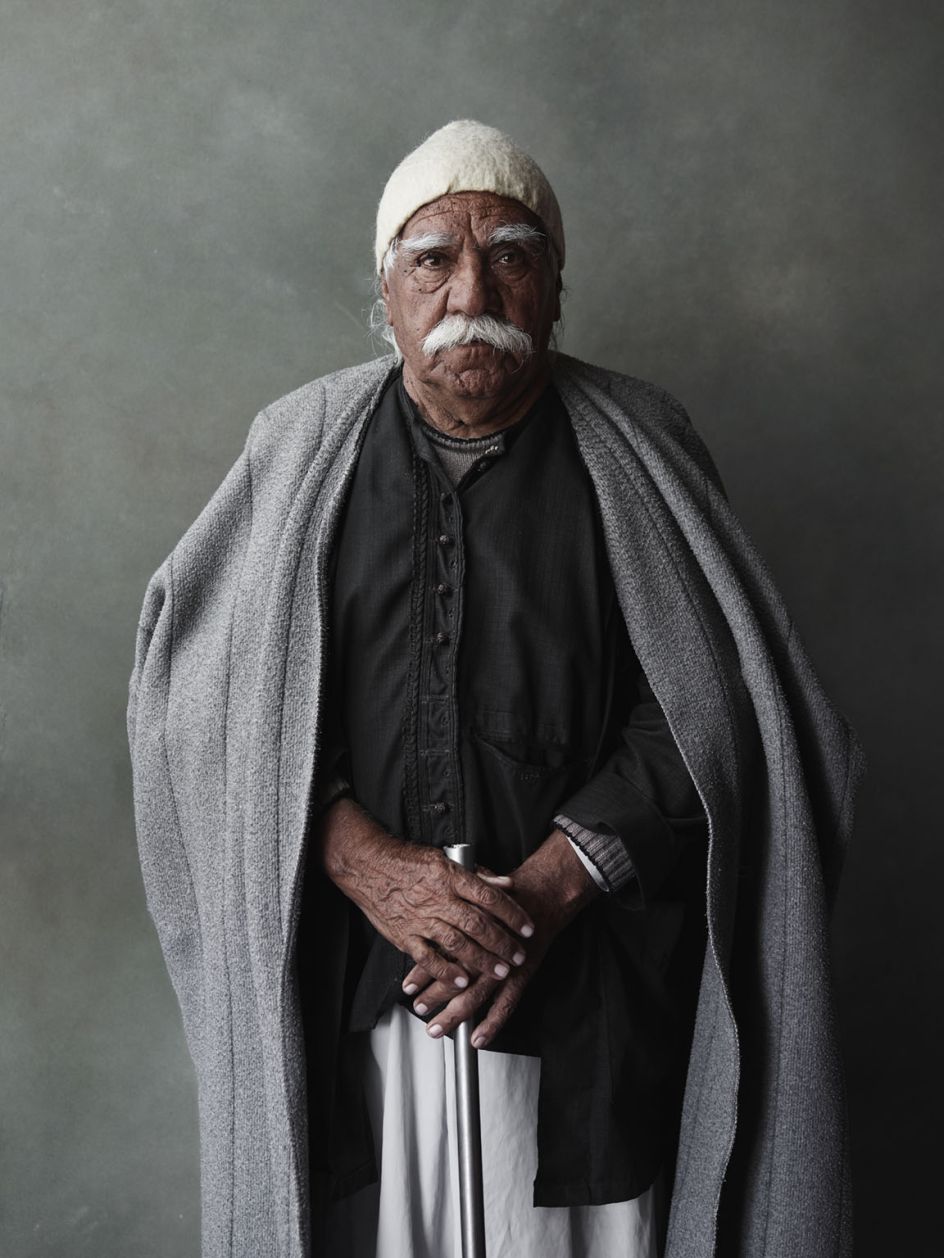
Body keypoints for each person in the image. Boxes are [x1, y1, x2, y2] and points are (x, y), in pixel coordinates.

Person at [127, 121, 864, 1258]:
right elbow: (205, 709)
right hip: (354, 1003)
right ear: (385, 289)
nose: (470, 288)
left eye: (510, 254)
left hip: (586, 1009)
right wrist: (357, 859)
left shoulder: (641, 445)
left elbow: (717, 713)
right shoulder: (297, 447)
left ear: (554, 287)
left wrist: (547, 892)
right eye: (431, 258)